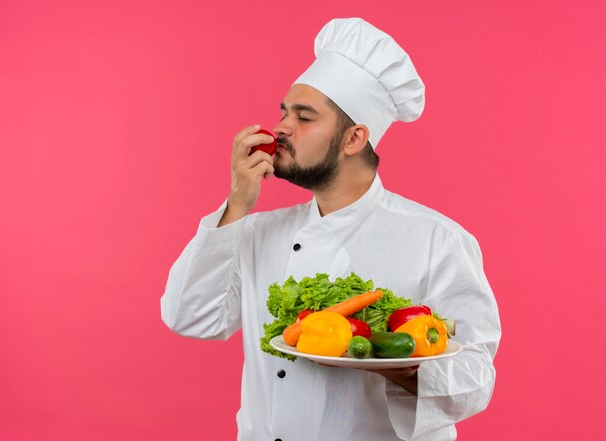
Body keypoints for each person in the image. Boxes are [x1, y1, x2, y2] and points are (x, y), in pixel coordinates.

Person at [161, 17, 501, 441]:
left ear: (354, 138)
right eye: (284, 112)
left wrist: (387, 361)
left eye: (304, 117)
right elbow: (188, 316)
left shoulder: (436, 239)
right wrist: (237, 204)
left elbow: (474, 378)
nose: (281, 127)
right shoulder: (256, 232)